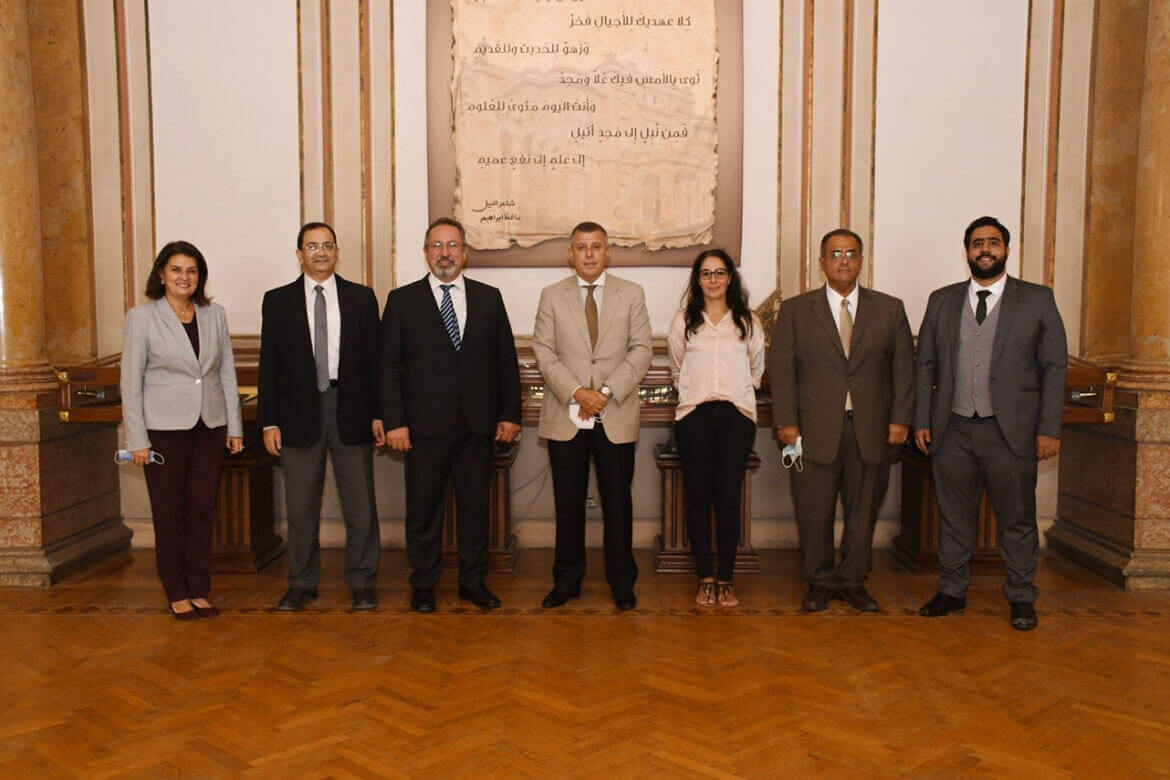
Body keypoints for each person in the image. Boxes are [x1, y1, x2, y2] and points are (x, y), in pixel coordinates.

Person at [915, 216, 1067, 631]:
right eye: (977, 243)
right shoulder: (942, 300)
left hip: (1011, 431)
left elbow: (1054, 368)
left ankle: (1021, 596)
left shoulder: (1037, 300)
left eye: (993, 242)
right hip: (953, 429)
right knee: (953, 516)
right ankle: (951, 590)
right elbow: (925, 364)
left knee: (1017, 519)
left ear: (1006, 249)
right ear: (966, 251)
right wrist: (921, 421)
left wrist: (1049, 428)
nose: (985, 249)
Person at [378, 217, 522, 613]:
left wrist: (510, 414)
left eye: (452, 245)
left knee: (476, 509)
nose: (445, 253)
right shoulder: (402, 301)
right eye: (437, 246)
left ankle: (473, 582)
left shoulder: (488, 298)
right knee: (423, 511)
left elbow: (505, 362)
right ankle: (423, 583)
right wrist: (395, 422)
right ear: (426, 253)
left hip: (477, 426)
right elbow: (388, 368)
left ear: (465, 252)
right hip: (422, 428)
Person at [767, 229, 914, 613]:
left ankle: (852, 580)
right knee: (813, 510)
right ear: (822, 262)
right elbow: (782, 371)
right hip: (812, 430)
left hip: (872, 429)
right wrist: (786, 421)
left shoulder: (890, 309)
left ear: (862, 261)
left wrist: (901, 419)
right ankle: (818, 580)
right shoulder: (797, 311)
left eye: (851, 253)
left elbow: (904, 370)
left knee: (864, 509)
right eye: (835, 254)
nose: (843, 260)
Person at [258, 222, 382, 612]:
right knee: (299, 508)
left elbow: (377, 365)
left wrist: (381, 414)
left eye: (327, 245)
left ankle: (362, 581)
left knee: (361, 506)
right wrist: (269, 422)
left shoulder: (362, 298)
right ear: (299, 254)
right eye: (312, 246)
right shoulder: (277, 301)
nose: (320, 252)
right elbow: (268, 367)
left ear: (337, 251)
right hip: (298, 415)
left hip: (352, 411)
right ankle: (301, 582)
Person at [532, 221, 652, 611]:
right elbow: (544, 352)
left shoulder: (631, 294)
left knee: (618, 502)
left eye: (596, 247)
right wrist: (578, 392)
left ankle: (622, 581)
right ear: (570, 254)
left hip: (614, 411)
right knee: (568, 502)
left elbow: (641, 350)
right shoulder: (551, 296)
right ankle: (567, 580)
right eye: (581, 247)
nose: (588, 254)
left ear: (607, 252)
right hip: (566, 414)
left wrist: (602, 393)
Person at [121, 241, 244, 620]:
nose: (184, 277)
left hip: (209, 425)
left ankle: (198, 589)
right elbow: (131, 382)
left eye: (191, 271)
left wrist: (233, 426)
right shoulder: (142, 318)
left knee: (202, 509)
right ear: (161, 274)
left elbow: (226, 372)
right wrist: (137, 439)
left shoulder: (214, 314)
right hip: (163, 430)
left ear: (199, 277)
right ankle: (176, 590)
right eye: (176, 269)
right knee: (169, 511)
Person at [667, 249, 764, 608]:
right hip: (694, 416)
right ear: (697, 280)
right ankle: (705, 578)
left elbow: (756, 371)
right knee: (697, 496)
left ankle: (726, 578)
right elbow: (678, 370)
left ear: (729, 279)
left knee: (728, 498)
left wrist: (731, 394)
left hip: (736, 417)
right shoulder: (684, 322)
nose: (713, 279)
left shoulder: (749, 321)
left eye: (719, 273)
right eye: (705, 273)